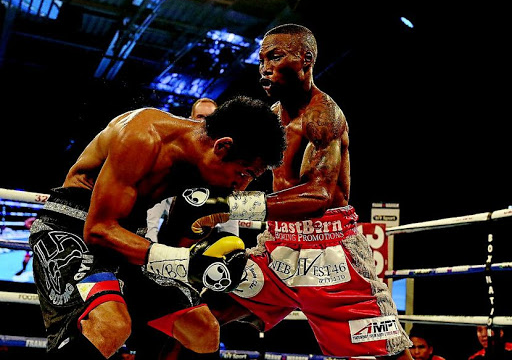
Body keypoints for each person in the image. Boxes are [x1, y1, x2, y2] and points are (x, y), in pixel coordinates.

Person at [171, 23, 413, 359]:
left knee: (385, 353)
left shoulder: (323, 116)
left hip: (330, 254)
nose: (264, 68)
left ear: (306, 59)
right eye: (261, 60)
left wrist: (228, 205)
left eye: (274, 57)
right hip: (278, 248)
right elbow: (245, 173)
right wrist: (205, 193)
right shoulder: (272, 117)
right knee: (194, 313)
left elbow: (319, 196)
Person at [27, 95, 286, 360]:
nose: (242, 186)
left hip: (129, 237)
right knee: (111, 325)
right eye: (243, 173)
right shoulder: (141, 136)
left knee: (202, 328)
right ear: (222, 147)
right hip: (73, 226)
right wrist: (186, 261)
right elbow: (98, 230)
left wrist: (202, 243)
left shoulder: (206, 173)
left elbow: (175, 242)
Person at [145, 97, 238, 244]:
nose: (205, 122)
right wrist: (150, 240)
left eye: (211, 118)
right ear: (190, 119)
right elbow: (156, 200)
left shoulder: (225, 162)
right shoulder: (174, 152)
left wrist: (231, 241)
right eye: (200, 117)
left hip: (205, 241)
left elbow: (228, 205)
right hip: (168, 238)